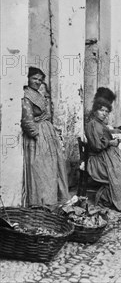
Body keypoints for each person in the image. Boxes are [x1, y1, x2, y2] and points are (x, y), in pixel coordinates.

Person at [21, 67, 70, 207]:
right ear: (28, 78)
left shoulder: (37, 93)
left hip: (47, 133)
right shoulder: (26, 95)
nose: (37, 82)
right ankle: (40, 201)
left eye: (40, 80)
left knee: (52, 166)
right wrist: (36, 136)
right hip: (37, 136)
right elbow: (27, 120)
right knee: (39, 167)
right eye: (34, 78)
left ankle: (52, 198)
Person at [85, 96, 121, 213]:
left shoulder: (100, 124)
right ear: (95, 110)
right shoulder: (92, 124)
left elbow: (103, 139)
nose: (104, 114)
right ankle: (107, 197)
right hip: (98, 160)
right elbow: (97, 146)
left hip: (107, 156)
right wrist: (111, 142)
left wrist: (113, 141)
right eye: (102, 110)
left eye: (106, 111)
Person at [94, 87, 121, 170]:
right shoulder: (95, 112)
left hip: (104, 134)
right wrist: (111, 132)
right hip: (99, 139)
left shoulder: (101, 111)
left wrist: (113, 130)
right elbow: (97, 130)